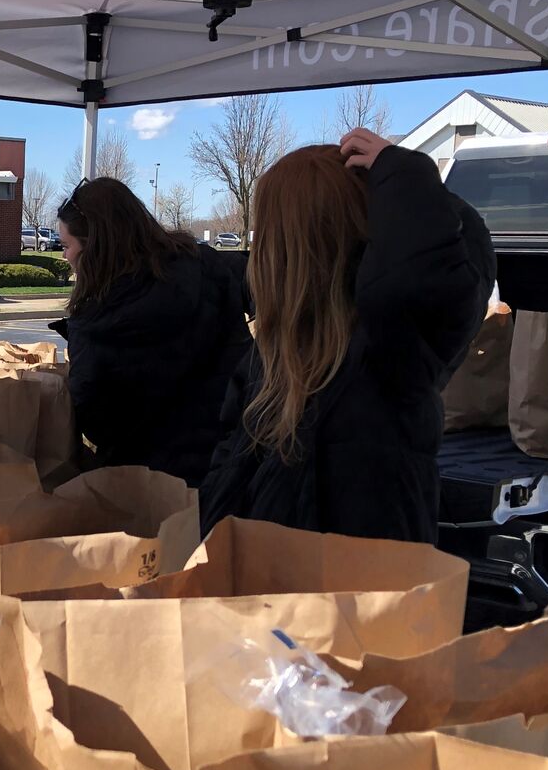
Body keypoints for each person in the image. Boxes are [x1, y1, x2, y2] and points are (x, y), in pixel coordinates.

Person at [200, 129, 495, 543]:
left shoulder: (390, 349)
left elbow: (427, 275)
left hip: (361, 597)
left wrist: (404, 172)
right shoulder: (267, 360)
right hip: (272, 592)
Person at [50, 176, 251, 489]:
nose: (65, 257)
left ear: (94, 248)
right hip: (230, 469)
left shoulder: (96, 325)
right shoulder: (208, 267)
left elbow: (98, 424)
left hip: (145, 489)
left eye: (66, 246)